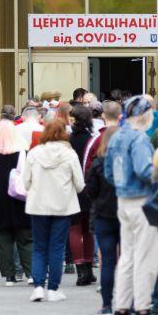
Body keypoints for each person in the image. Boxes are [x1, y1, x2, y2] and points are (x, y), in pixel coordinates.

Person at [104, 95, 158, 315]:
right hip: (142, 201)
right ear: (144, 115)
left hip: (123, 200)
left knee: (127, 255)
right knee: (145, 256)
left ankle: (121, 308)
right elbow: (145, 170)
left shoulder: (117, 136)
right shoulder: (139, 139)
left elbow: (109, 173)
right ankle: (141, 308)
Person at [23, 119, 85, 302]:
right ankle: (54, 289)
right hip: (62, 206)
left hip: (38, 205)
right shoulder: (69, 155)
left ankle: (38, 287)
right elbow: (80, 185)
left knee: (39, 247)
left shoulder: (34, 153)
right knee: (57, 247)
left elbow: (26, 183)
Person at [0, 120, 33, 287]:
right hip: (20, 201)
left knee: (2, 241)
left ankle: (9, 275)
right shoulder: (23, 153)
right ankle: (31, 273)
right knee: (26, 239)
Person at [85, 126, 121, 315]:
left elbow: (90, 191)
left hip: (103, 215)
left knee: (107, 261)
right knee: (126, 260)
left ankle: (107, 305)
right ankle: (127, 303)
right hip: (123, 214)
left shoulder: (98, 164)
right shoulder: (125, 163)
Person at [68, 106, 96, 286]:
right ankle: (89, 268)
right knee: (89, 229)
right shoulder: (93, 140)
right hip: (90, 187)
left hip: (71, 187)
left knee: (75, 229)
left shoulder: (68, 140)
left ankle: (80, 270)